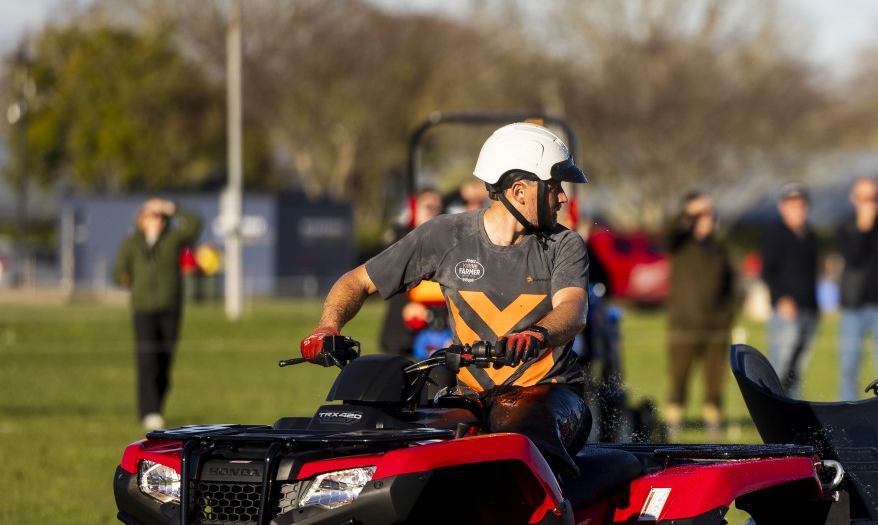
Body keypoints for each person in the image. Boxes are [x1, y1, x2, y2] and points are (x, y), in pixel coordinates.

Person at [300, 122, 592, 476]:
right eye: (553, 187)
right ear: (518, 191)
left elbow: (573, 309)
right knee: (419, 450)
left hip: (549, 394)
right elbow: (356, 281)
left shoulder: (565, 245)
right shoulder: (444, 235)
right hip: (467, 394)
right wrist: (327, 327)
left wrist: (537, 335)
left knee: (518, 445)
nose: (562, 197)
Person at [114, 197, 202, 430]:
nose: (158, 220)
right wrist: (123, 276)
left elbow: (195, 224)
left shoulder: (173, 240)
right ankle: (149, 410)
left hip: (170, 307)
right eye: (153, 215)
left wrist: (172, 207)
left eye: (162, 216)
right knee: (147, 361)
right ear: (142, 218)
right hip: (143, 309)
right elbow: (118, 271)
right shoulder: (132, 243)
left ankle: (157, 406)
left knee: (164, 362)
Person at [664, 191, 739, 440]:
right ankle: (675, 424)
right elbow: (666, 234)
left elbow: (732, 286)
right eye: (702, 215)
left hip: (716, 327)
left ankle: (713, 425)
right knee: (679, 375)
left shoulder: (719, 249)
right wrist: (690, 211)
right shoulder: (680, 244)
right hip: (684, 325)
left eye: (709, 215)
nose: (707, 220)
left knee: (715, 379)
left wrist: (727, 316)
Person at [837, 176, 878, 398]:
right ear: (853, 199)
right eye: (864, 198)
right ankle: (846, 415)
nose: (869, 203)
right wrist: (863, 228)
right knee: (849, 366)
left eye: (873, 197)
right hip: (854, 305)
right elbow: (853, 258)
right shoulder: (846, 226)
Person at [761, 183, 819, 395]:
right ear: (782, 207)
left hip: (809, 309)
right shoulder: (775, 234)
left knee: (797, 370)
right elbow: (768, 271)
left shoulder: (810, 235)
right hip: (786, 312)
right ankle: (772, 415)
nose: (798, 210)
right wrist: (781, 299)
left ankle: (793, 421)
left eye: (801, 205)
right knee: (780, 368)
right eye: (792, 205)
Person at [378, 188, 445, 357]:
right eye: (428, 207)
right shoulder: (400, 236)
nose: (433, 212)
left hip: (438, 329)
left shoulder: (446, 243)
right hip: (402, 329)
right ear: (415, 208)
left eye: (438, 209)